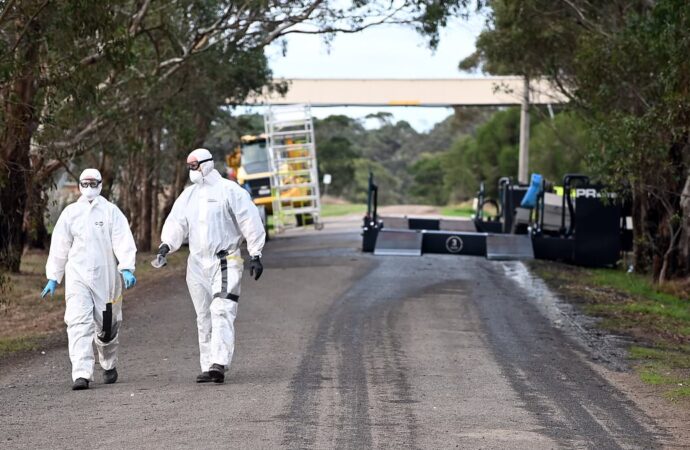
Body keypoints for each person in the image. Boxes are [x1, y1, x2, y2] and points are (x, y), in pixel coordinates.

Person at [153, 148, 265, 384]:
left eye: (194, 166)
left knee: (221, 309)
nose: (191, 170)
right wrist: (166, 245)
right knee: (203, 315)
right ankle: (208, 365)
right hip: (196, 264)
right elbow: (176, 223)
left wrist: (255, 253)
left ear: (206, 165)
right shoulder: (189, 196)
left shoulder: (229, 191)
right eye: (188, 166)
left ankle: (219, 362)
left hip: (225, 260)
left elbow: (249, 219)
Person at [41, 168, 137, 391]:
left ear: (101, 184)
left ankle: (108, 362)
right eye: (85, 182)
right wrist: (54, 276)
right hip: (77, 276)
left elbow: (123, 240)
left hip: (106, 278)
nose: (89, 186)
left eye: (93, 182)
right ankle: (81, 373)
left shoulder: (111, 212)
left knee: (108, 327)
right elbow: (60, 245)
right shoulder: (70, 213)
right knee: (77, 323)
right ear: (79, 184)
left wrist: (127, 268)